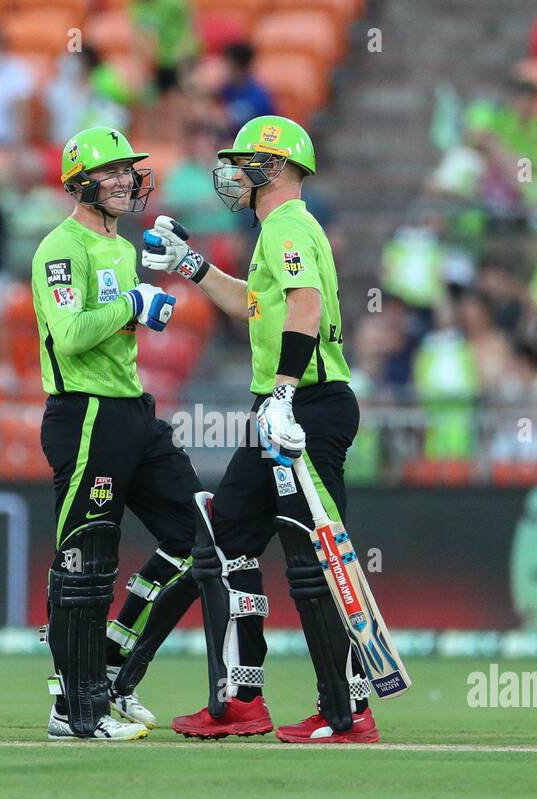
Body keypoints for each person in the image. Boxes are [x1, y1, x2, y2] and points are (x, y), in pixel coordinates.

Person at [142, 116, 380, 743]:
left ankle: (347, 710)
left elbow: (307, 307)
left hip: (303, 405)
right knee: (224, 539)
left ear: (272, 167)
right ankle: (242, 697)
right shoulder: (282, 230)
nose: (231, 173)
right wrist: (191, 266)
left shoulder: (288, 225)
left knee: (312, 558)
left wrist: (283, 393)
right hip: (288, 407)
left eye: (242, 161)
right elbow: (258, 302)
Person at [32, 127, 203, 741]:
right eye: (114, 172)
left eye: (131, 170)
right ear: (82, 183)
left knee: (200, 538)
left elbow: (111, 327)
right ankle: (75, 707)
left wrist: (141, 307)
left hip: (133, 413)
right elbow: (72, 334)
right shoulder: (61, 247)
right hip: (85, 417)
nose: (128, 180)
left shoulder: (123, 247)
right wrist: (133, 306)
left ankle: (112, 673)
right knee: (85, 562)